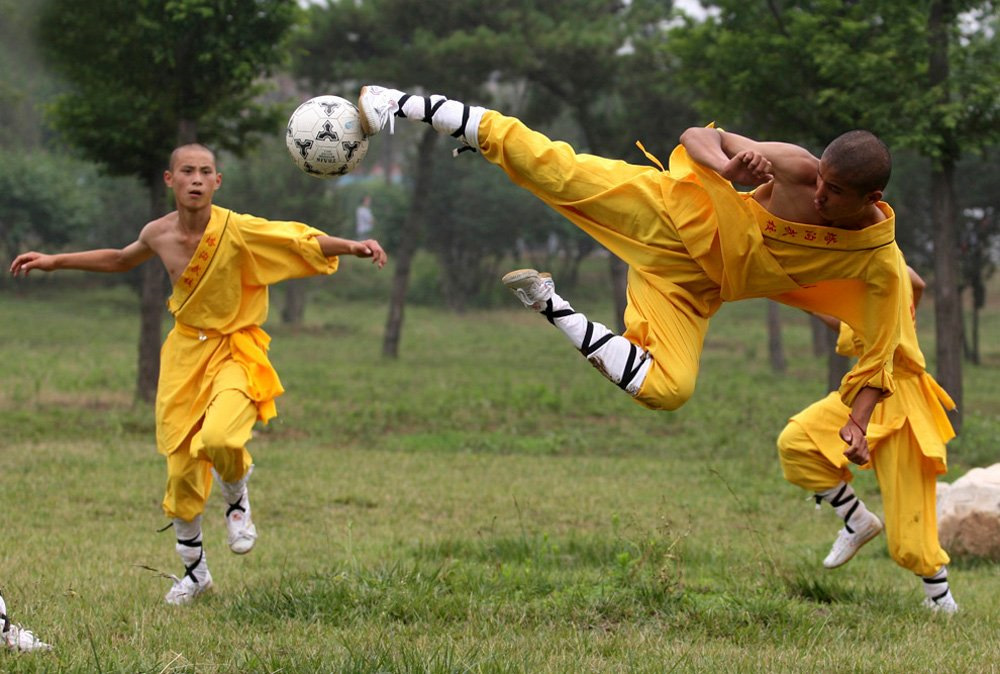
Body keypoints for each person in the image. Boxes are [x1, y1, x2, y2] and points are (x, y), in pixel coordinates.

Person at [356, 85, 904, 457]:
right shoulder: (800, 168)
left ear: (871, 197)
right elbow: (697, 135)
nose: (819, 193)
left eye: (833, 192)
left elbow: (882, 348)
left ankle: (547, 302)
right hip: (668, 210)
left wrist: (856, 421)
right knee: (553, 167)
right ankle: (399, 102)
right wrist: (727, 166)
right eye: (821, 180)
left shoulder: (878, 260)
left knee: (670, 390)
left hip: (689, 290)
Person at [9, 144, 387, 606]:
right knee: (181, 471)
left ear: (217, 182)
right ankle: (195, 576)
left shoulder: (236, 228)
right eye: (186, 171)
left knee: (222, 440)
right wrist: (54, 260)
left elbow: (296, 241)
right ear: (170, 180)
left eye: (205, 172)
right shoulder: (158, 233)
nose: (195, 179)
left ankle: (236, 498)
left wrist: (350, 246)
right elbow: (119, 259)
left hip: (235, 350)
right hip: (184, 357)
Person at [777, 262, 958, 613]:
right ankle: (856, 519)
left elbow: (911, 285)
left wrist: (879, 254)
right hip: (864, 393)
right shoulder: (869, 283)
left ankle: (942, 603)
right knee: (797, 442)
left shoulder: (882, 279)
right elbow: (915, 284)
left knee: (908, 539)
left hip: (904, 404)